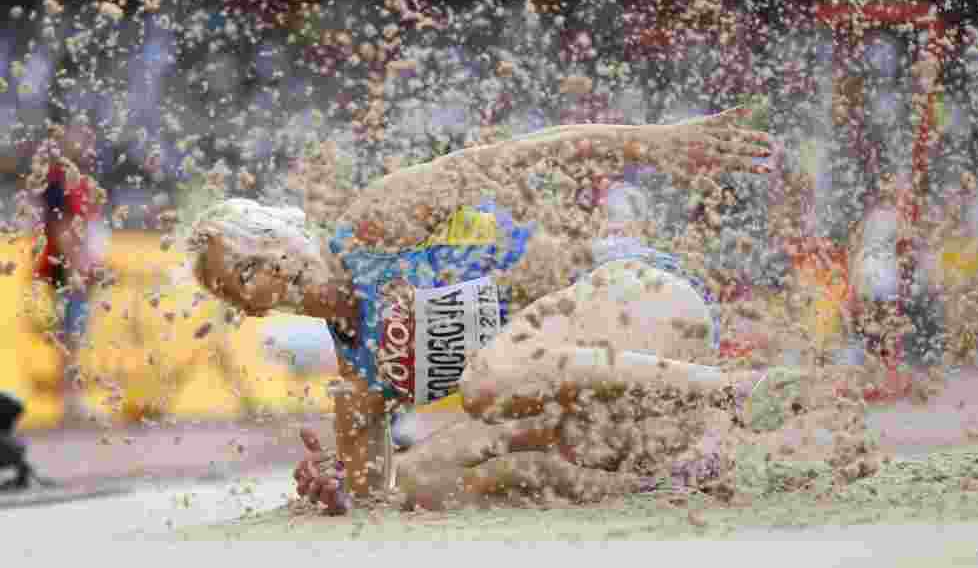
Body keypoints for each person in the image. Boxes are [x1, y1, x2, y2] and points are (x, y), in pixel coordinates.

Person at [186, 108, 785, 513]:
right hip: (630, 412)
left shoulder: (377, 225)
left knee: (486, 379)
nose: (270, 261)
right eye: (245, 272)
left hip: (641, 299)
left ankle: (742, 389)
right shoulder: (361, 384)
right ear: (253, 308)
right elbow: (371, 496)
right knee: (417, 482)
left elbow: (524, 156)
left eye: (265, 234)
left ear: (291, 221)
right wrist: (333, 491)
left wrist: (658, 144)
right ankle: (655, 486)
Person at [29, 120, 106, 426]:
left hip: (78, 266)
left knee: (76, 332)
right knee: (70, 334)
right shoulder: (59, 180)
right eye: (79, 138)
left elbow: (86, 224)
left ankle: (72, 400)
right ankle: (70, 402)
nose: (86, 145)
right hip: (65, 268)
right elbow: (59, 226)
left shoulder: (81, 180)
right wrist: (75, 265)